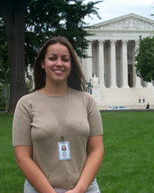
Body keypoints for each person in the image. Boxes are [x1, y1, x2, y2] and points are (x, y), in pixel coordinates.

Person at [12, 36, 104, 193]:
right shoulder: (26, 104)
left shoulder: (87, 101)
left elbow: (97, 150)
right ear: (42, 63)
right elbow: (22, 157)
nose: (59, 64)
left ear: (71, 65)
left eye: (65, 59)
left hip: (85, 189)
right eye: (52, 58)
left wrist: (80, 189)